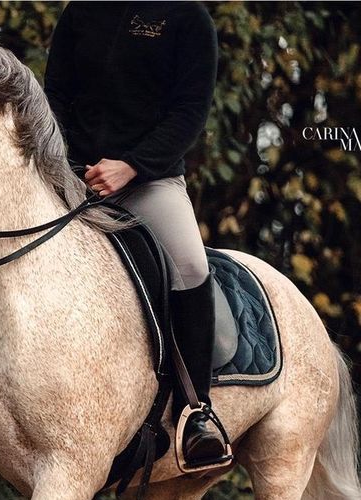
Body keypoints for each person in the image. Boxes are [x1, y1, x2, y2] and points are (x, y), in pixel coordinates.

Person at [44, 1, 231, 471]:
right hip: (73, 178)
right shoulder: (80, 13)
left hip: (148, 181)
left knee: (190, 265)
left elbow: (189, 113)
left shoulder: (188, 19)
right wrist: (67, 165)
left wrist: (131, 166)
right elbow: (55, 97)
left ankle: (197, 412)